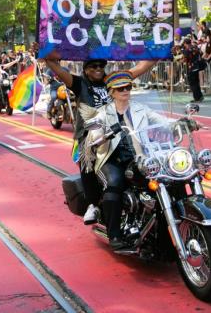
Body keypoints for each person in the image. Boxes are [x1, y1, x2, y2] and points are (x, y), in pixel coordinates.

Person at [43, 51, 156, 225]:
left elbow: (141, 67)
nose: (98, 69)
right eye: (94, 66)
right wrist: (43, 52)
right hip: (89, 136)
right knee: (87, 159)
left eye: (101, 66)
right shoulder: (79, 83)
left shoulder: (113, 80)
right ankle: (92, 205)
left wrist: (160, 53)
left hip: (119, 133)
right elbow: (56, 68)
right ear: (86, 70)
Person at [85, 71, 169, 250]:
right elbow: (93, 137)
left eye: (128, 87)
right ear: (111, 92)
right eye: (120, 88)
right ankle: (114, 234)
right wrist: (102, 135)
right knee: (114, 184)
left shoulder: (140, 109)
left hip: (140, 158)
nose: (125, 91)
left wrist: (182, 123)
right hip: (112, 159)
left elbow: (161, 120)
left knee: (167, 178)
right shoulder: (103, 113)